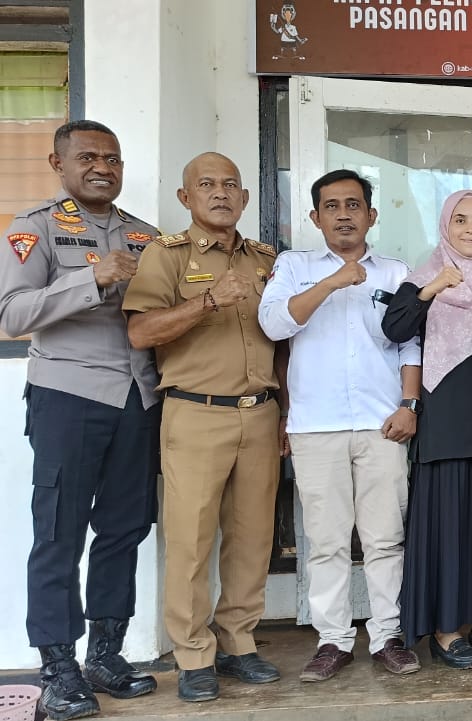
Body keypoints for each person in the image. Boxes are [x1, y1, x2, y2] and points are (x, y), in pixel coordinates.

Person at [0, 120, 159, 720]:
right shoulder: (34, 227)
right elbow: (12, 314)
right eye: (88, 157)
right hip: (68, 395)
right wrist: (90, 278)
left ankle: (105, 655)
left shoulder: (146, 235)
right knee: (59, 533)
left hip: (137, 399)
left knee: (124, 529)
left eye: (112, 159)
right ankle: (58, 669)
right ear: (58, 163)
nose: (102, 168)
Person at [123, 152, 285, 702]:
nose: (221, 193)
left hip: (260, 414)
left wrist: (286, 412)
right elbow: (141, 332)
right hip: (195, 413)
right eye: (207, 184)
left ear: (244, 198)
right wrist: (208, 300)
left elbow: (284, 342)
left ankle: (238, 642)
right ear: (185, 197)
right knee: (190, 540)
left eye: (231, 185)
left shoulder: (266, 259)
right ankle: (193, 654)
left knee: (252, 538)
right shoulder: (166, 256)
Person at [258, 169, 422, 681]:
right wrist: (332, 282)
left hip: (381, 424)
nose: (344, 215)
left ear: (372, 215)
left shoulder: (395, 273)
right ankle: (333, 640)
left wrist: (409, 404)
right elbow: (274, 324)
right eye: (332, 206)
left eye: (354, 205)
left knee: (385, 538)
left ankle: (388, 636)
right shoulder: (294, 266)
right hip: (316, 425)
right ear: (315, 217)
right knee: (326, 542)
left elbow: (410, 343)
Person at [383, 190, 472, 670]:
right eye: (461, 220)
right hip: (444, 425)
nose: (471, 229)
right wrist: (432, 289)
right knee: (448, 531)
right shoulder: (422, 278)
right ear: (446, 226)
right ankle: (447, 629)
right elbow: (394, 328)